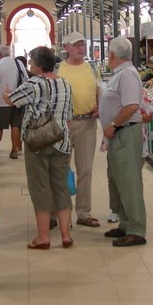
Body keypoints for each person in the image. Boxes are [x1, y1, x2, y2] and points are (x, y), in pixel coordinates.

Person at [6, 46, 74, 249]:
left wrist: (6, 94)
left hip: (37, 142)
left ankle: (43, 236)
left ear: (37, 64)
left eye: (31, 62)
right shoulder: (65, 83)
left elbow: (13, 101)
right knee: (61, 186)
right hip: (61, 140)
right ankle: (65, 235)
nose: (29, 65)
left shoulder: (33, 84)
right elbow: (69, 115)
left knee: (40, 187)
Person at [100, 36, 148, 247]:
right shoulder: (119, 74)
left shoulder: (127, 74)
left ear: (112, 55)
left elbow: (131, 106)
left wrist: (113, 124)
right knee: (117, 178)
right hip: (119, 133)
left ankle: (136, 229)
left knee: (129, 181)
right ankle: (125, 223)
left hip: (126, 133)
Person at [56, 31, 102, 228]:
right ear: (66, 47)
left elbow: (100, 90)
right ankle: (60, 212)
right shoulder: (58, 69)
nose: (81, 48)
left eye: (83, 44)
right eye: (76, 45)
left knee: (85, 170)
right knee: (60, 170)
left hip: (87, 125)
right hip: (63, 125)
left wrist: (99, 104)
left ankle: (83, 212)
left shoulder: (92, 68)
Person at [0, 45, 25, 159]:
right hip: (17, 101)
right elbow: (26, 80)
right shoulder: (19, 64)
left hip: (3, 101)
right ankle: (14, 150)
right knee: (15, 126)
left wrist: (0, 88)